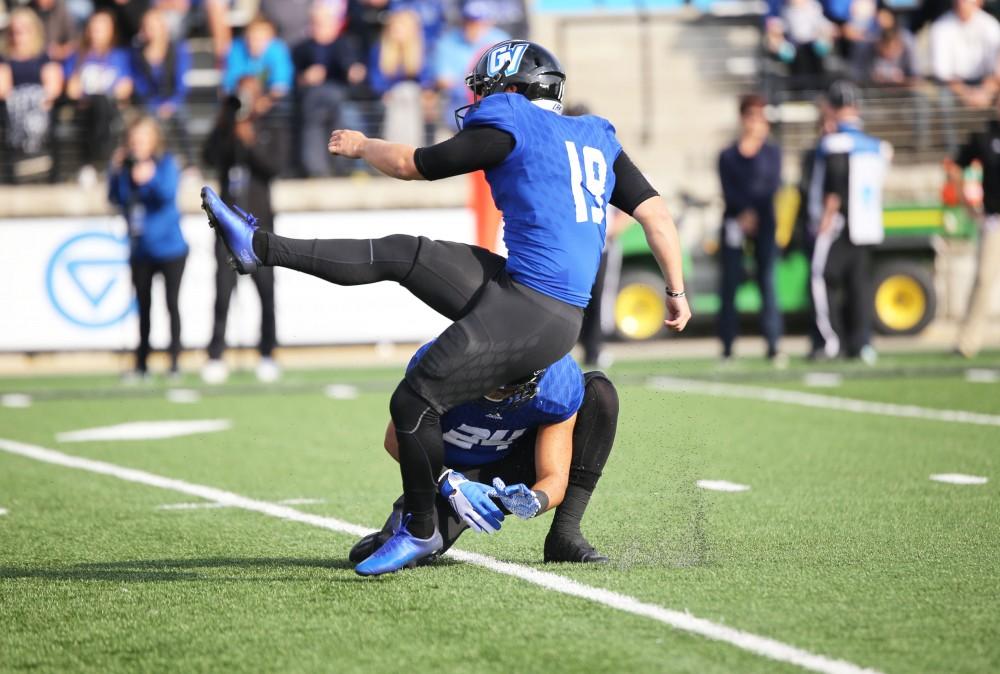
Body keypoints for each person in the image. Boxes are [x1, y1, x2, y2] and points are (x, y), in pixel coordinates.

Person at [202, 39, 690, 576]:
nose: (479, 100)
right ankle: (260, 246)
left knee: (413, 400)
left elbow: (415, 164)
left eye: (486, 89)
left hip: (532, 309)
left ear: (513, 90)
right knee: (404, 253)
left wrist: (364, 145)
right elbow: (659, 218)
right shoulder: (595, 135)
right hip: (530, 291)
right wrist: (675, 293)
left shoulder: (512, 121)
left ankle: (419, 527)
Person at [348, 347, 618, 565]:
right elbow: (396, 439)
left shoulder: (556, 383)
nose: (493, 394)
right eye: (490, 382)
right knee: (399, 547)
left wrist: (534, 500)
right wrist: (450, 482)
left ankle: (565, 534)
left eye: (505, 388)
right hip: (447, 474)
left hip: (510, 469)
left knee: (599, 393)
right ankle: (382, 539)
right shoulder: (442, 364)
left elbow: (554, 477)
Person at [202, 75, 286, 384]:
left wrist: (250, 141)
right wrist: (224, 125)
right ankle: (215, 354)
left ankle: (267, 353)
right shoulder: (225, 130)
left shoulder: (269, 128)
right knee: (223, 292)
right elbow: (208, 157)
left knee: (266, 293)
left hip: (260, 228)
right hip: (228, 228)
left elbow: (274, 167)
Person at [808, 80, 891, 363]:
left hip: (839, 223)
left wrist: (826, 218)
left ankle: (830, 341)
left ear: (831, 108)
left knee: (822, 278)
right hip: (866, 224)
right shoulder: (876, 146)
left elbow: (834, 186)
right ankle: (862, 342)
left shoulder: (834, 142)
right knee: (859, 285)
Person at [108, 115, 187, 378]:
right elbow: (116, 198)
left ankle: (174, 362)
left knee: (171, 305)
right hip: (140, 249)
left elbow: (166, 194)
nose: (137, 144)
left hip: (170, 248)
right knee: (143, 307)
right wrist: (116, 172)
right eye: (134, 140)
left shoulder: (165, 164)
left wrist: (149, 178)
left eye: (142, 139)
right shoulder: (127, 167)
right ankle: (142, 363)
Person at [717, 94, 784, 363]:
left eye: (760, 117)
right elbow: (728, 189)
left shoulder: (772, 152)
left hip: (764, 223)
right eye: (751, 116)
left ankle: (773, 344)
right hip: (735, 222)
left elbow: (772, 185)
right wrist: (743, 213)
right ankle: (728, 346)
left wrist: (755, 214)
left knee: (767, 282)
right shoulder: (728, 155)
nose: (756, 122)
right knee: (729, 284)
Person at [291, 1, 366, 177]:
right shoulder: (301, 48)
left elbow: (354, 71)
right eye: (316, 23)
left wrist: (354, 72)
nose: (319, 28)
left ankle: (343, 167)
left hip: (340, 98)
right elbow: (293, 81)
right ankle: (317, 169)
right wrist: (306, 78)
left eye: (323, 23)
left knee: (341, 116)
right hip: (312, 98)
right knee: (314, 115)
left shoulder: (345, 45)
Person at [951, 102, 1000, 358]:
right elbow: (958, 166)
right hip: (994, 220)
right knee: (983, 279)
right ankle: (967, 342)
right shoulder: (985, 136)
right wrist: (967, 203)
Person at [64, 9, 133, 185]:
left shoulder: (120, 56)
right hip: (86, 111)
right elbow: (72, 90)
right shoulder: (78, 56)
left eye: (101, 28)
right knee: (97, 103)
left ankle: (97, 160)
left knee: (103, 102)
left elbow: (125, 89)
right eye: (93, 27)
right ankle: (99, 159)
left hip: (111, 110)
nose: (96, 32)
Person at [0, 7, 64, 182]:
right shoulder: (4, 58)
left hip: (41, 108)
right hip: (11, 109)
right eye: (14, 30)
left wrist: (38, 99)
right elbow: (3, 88)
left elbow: (53, 86)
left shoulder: (43, 57)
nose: (18, 34)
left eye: (23, 29)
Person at [130, 8, 192, 164]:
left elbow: (182, 83)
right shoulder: (137, 54)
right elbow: (140, 85)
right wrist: (157, 105)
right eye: (147, 27)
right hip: (149, 102)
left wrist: (172, 104)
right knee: (147, 117)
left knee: (181, 116)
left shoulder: (178, 51)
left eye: (154, 26)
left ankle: (190, 163)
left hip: (173, 101)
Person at [368, 9, 435, 147]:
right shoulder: (379, 49)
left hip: (413, 99)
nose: (396, 31)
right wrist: (385, 91)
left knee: (408, 92)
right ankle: (396, 147)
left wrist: (426, 93)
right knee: (402, 93)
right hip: (389, 99)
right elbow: (376, 80)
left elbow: (426, 79)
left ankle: (409, 147)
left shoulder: (422, 50)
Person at [220, 14, 294, 108]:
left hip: (271, 105)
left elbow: (281, 85)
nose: (254, 43)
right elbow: (229, 84)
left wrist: (265, 101)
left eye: (260, 39)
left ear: (270, 38)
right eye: (251, 38)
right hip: (241, 102)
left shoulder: (278, 50)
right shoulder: (236, 49)